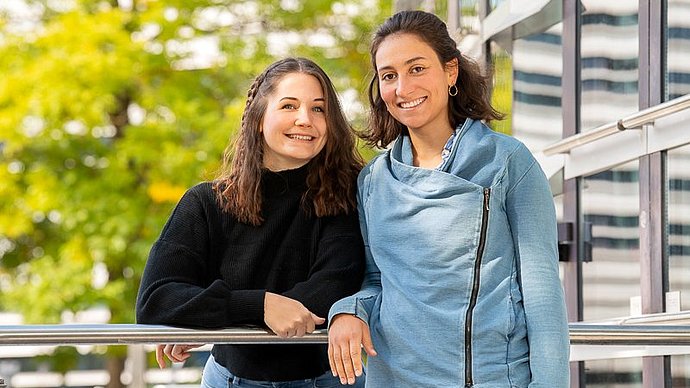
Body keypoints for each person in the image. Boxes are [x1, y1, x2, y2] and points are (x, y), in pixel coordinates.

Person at [327, 10, 570, 387]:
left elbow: (542, 295)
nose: (402, 88)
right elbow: (377, 281)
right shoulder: (374, 179)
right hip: (394, 378)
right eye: (389, 75)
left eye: (417, 69)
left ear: (451, 71)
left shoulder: (507, 162)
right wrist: (348, 310)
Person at [136, 57, 366, 388]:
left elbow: (330, 291)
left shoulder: (345, 197)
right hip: (228, 380)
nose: (305, 119)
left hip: (326, 380)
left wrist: (210, 316)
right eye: (289, 106)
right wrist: (259, 306)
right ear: (259, 117)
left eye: (318, 109)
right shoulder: (206, 203)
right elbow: (156, 301)